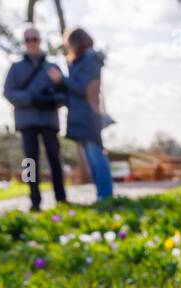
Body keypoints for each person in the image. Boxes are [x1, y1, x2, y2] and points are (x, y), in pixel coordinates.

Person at [3, 26, 68, 212]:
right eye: (28, 40)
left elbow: (64, 93)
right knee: (30, 163)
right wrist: (31, 99)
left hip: (49, 120)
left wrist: (51, 100)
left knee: (55, 159)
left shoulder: (52, 67)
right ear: (24, 43)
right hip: (27, 122)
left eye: (35, 39)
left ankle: (61, 198)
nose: (32, 43)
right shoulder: (16, 68)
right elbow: (8, 93)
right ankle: (35, 201)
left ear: (40, 40)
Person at [51, 27, 113, 201]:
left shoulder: (90, 59)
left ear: (75, 43)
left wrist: (62, 79)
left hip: (88, 115)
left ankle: (106, 195)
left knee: (96, 155)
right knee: (92, 157)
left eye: (69, 44)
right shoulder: (79, 61)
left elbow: (83, 88)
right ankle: (102, 195)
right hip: (80, 115)